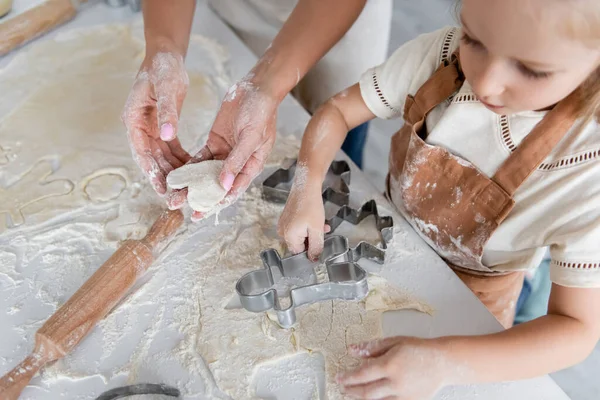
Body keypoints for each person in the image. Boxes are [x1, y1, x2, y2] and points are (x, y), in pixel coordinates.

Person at [277, 0, 600, 398]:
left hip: (471, 310)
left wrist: (445, 361)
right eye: (474, 39)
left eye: (532, 69)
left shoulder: (587, 174)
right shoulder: (440, 59)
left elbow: (576, 329)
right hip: (389, 249)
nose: (484, 82)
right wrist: (306, 188)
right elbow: (338, 112)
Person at [121, 0, 391, 221]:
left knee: (337, 162)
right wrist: (164, 48)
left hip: (333, 18)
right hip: (241, 13)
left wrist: (265, 84)